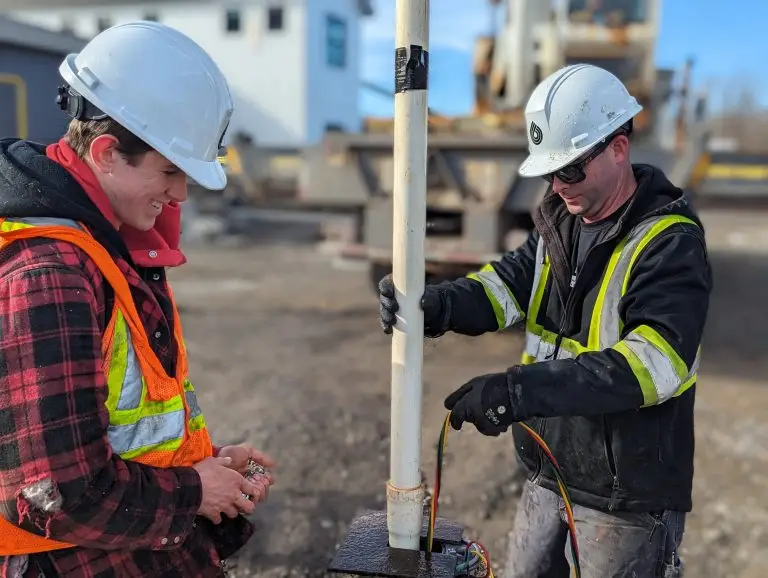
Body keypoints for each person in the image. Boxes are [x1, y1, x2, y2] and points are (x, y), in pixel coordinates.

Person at [378, 63, 712, 577]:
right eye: (549, 172)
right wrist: (435, 305)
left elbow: (653, 365)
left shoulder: (669, 243)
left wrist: (518, 391)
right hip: (549, 473)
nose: (558, 185)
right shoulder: (560, 218)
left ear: (618, 147)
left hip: (625, 497)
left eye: (571, 169)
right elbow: (506, 287)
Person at [0, 21, 275, 578]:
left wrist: (203, 466)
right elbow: (56, 492)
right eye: (170, 170)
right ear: (104, 152)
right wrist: (193, 491)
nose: (180, 193)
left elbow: (109, 435)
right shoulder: (48, 272)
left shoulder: (103, 244)